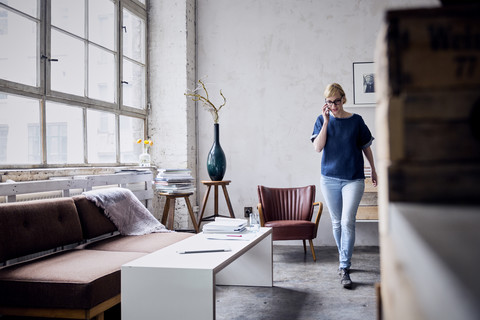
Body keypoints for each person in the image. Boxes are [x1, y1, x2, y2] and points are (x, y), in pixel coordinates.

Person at [310, 83, 377, 289]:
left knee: (348, 221)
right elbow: (318, 147)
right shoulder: (322, 120)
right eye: (329, 102)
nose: (333, 105)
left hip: (353, 178)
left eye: (336, 101)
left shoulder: (356, 121)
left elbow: (366, 147)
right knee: (337, 223)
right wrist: (326, 122)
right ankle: (344, 262)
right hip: (329, 178)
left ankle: (344, 266)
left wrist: (373, 169)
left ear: (343, 99)